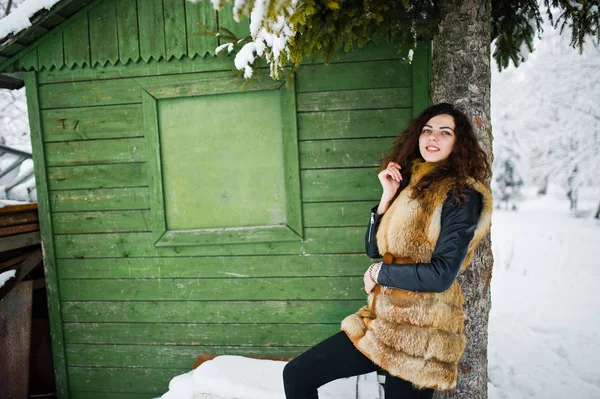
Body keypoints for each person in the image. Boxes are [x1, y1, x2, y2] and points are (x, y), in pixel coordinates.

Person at [283, 103, 493, 399]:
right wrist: (386, 199)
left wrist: (379, 272)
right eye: (427, 130)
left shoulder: (462, 195)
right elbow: (374, 249)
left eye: (445, 133)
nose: (433, 137)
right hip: (382, 319)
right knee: (297, 374)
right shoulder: (412, 185)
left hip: (421, 331)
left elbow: (442, 274)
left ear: (459, 143)